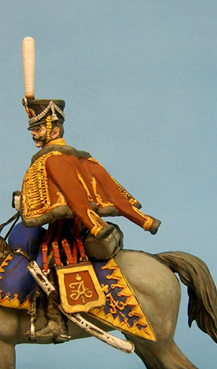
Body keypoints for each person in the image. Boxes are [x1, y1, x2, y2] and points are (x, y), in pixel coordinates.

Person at [14, 97, 161, 341]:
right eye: (33, 129)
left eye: (37, 128)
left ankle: (56, 322)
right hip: (79, 225)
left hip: (68, 231)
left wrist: (95, 225)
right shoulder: (82, 159)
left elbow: (75, 199)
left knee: (43, 265)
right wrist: (142, 220)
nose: (33, 134)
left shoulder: (53, 160)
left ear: (54, 131)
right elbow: (111, 193)